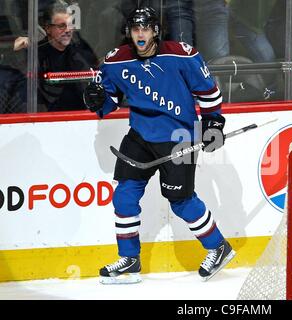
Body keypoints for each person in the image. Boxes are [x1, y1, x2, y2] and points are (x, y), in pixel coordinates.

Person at [83, 7, 235, 284]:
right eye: (135, 29)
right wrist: (96, 101)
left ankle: (218, 246)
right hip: (140, 134)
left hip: (178, 135)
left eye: (146, 28)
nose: (140, 34)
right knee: (124, 198)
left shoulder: (181, 54)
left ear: (156, 31)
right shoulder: (116, 61)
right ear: (129, 32)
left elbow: (209, 92)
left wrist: (213, 124)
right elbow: (110, 102)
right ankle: (129, 259)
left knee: (181, 201)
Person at [38, 2, 98, 111]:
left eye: (70, 25)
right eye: (61, 26)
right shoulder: (37, 55)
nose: (67, 30)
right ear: (47, 28)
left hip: (82, 117)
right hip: (47, 119)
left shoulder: (81, 53)